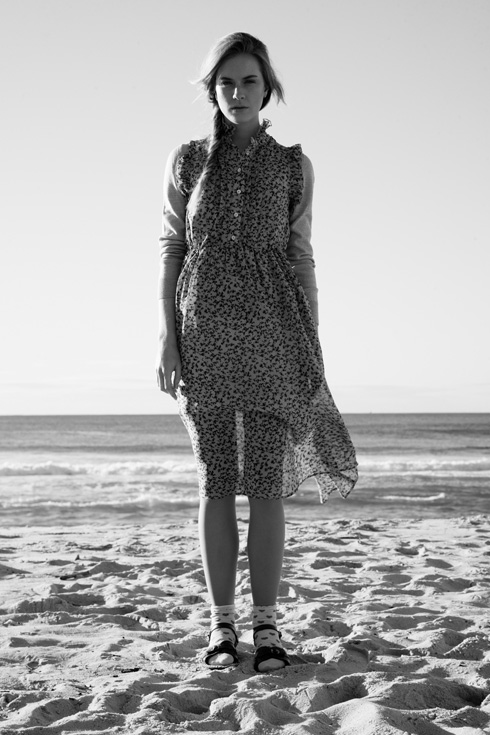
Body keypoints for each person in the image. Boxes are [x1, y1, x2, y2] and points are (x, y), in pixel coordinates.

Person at [156, 32, 358, 672]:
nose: (237, 93)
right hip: (202, 333)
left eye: (249, 81)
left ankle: (266, 628)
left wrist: (311, 341)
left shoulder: (294, 165)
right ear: (212, 91)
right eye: (226, 83)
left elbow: (301, 256)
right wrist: (166, 333)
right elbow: (171, 247)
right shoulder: (187, 160)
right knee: (215, 481)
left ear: (267, 88)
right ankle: (222, 628)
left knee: (266, 484)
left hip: (275, 332)